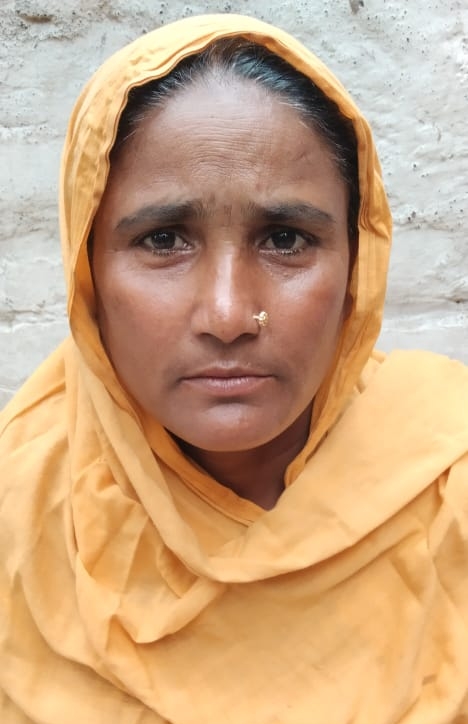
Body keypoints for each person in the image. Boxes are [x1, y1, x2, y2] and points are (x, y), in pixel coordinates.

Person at [1, 12, 467, 724]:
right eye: (164, 239)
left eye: (285, 239)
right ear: (87, 268)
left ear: (357, 266)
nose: (227, 314)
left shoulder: (446, 481)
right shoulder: (20, 511)